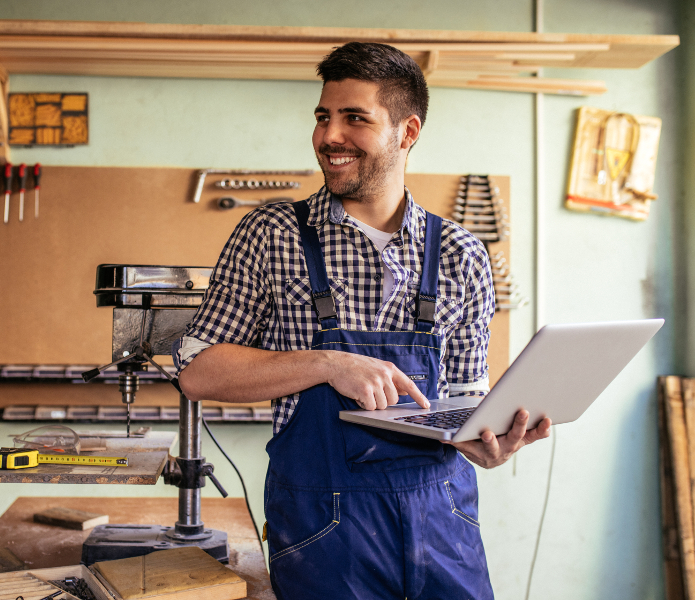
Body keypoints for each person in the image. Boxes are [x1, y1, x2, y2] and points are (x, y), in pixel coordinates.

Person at [175, 42, 551, 600]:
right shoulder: (272, 234)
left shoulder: (462, 254)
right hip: (323, 534)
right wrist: (329, 364)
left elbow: (468, 399)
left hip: (443, 525)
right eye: (323, 117)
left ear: (408, 132)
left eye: (355, 118)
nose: (330, 136)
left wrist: (490, 441)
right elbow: (199, 372)